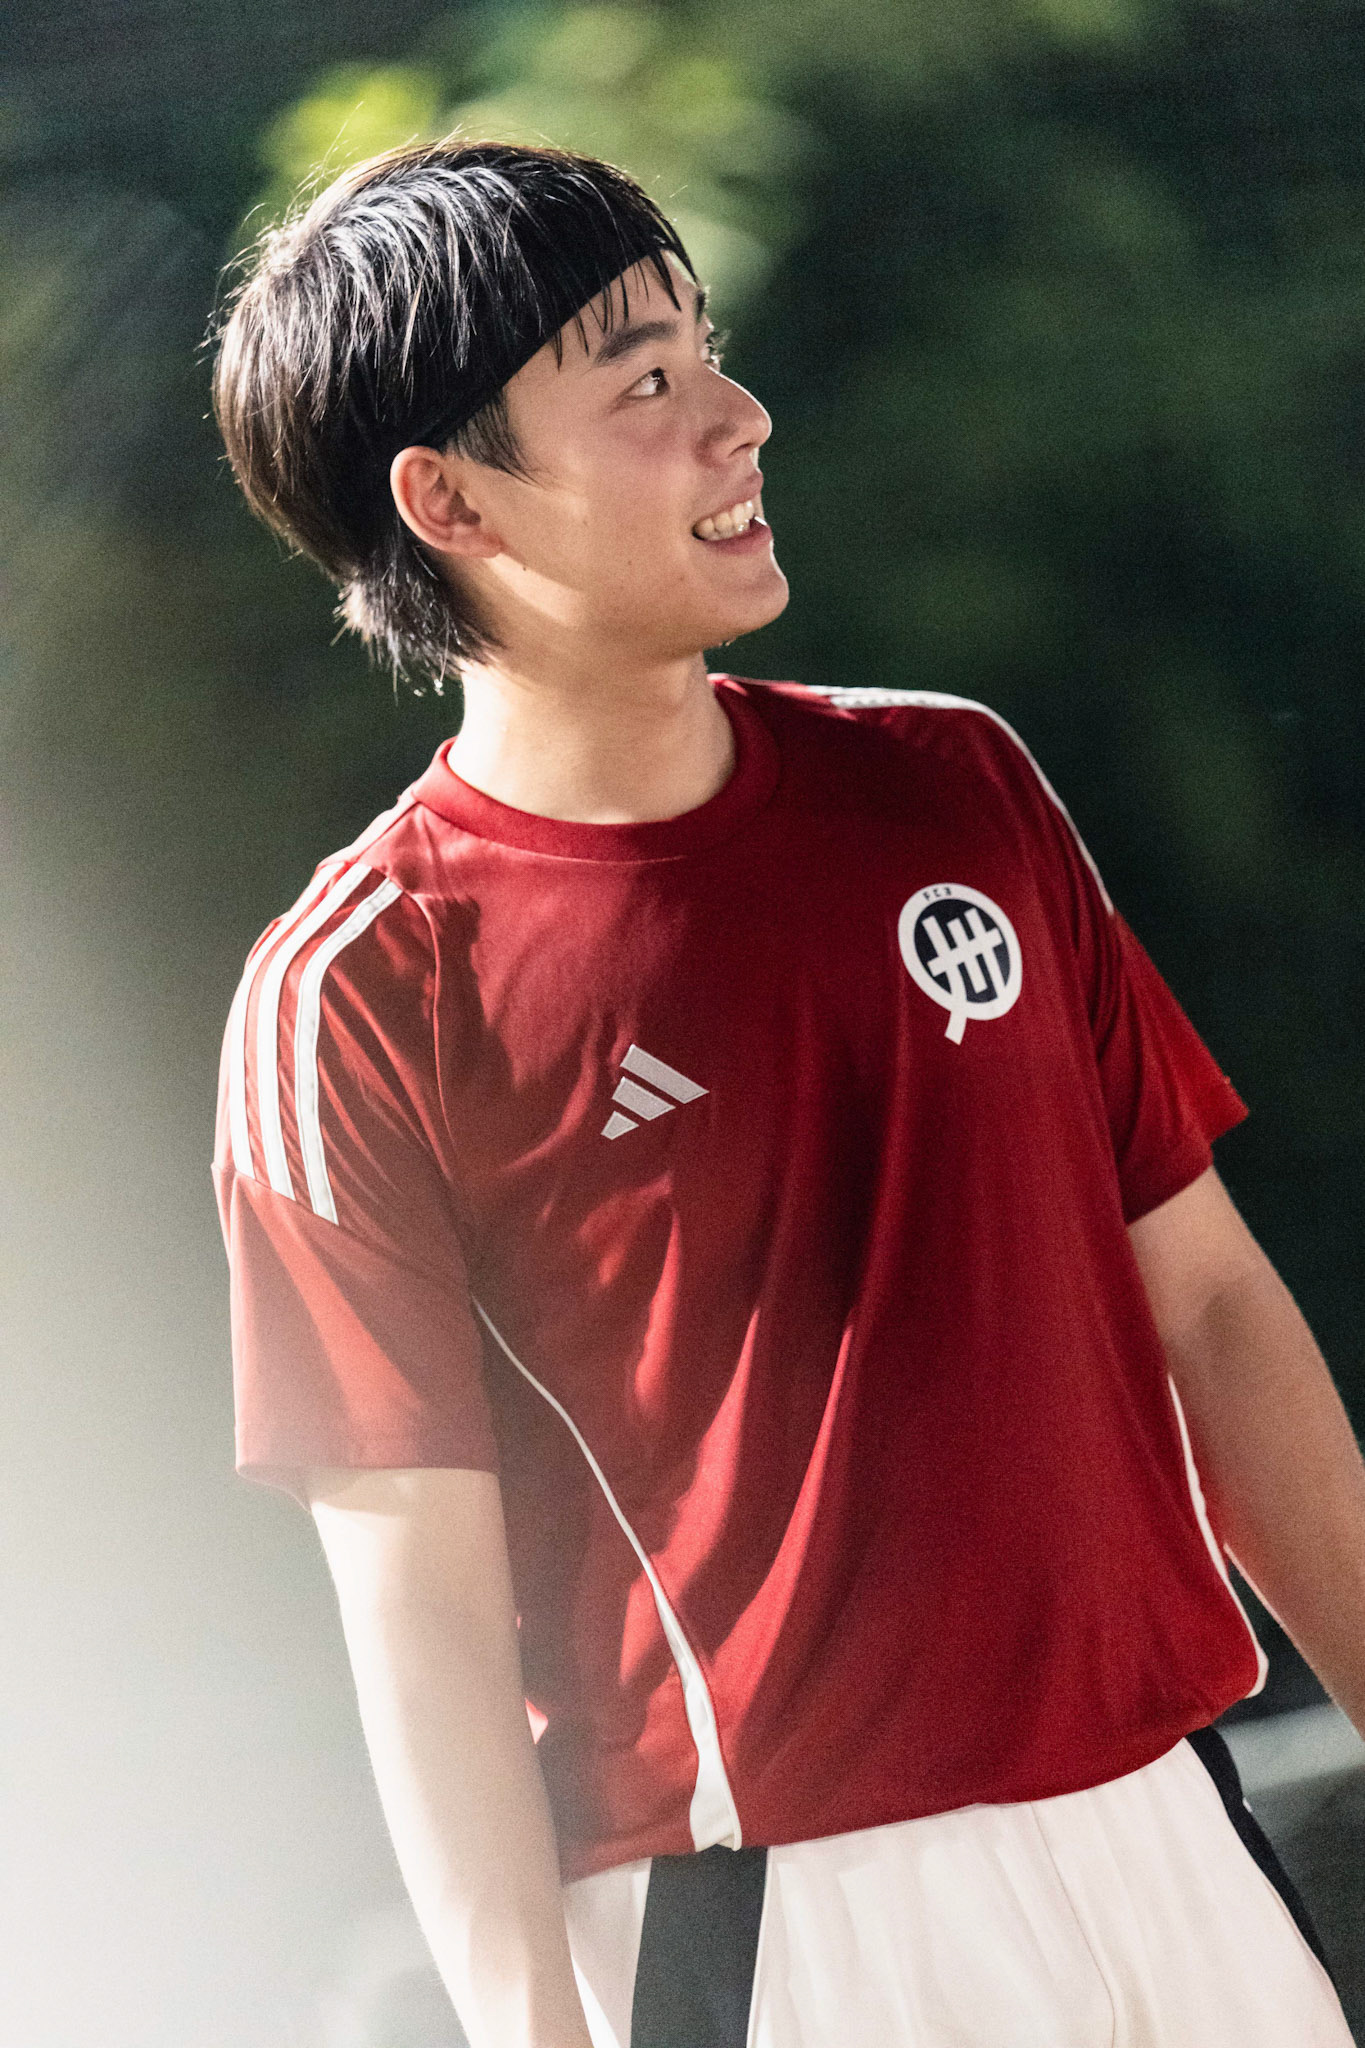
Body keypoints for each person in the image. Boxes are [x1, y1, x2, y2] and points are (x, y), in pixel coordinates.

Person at [210, 140, 1364, 2048]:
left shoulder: (958, 793)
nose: (737, 418)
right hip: (780, 1937)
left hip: (1171, 1827)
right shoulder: (359, 995)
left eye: (708, 353)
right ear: (447, 498)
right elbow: (413, 1599)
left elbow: (1221, 1315)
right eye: (641, 383)